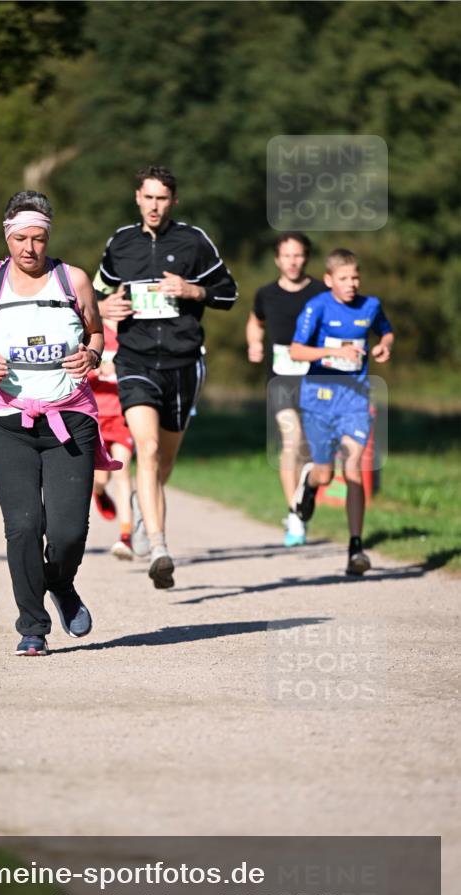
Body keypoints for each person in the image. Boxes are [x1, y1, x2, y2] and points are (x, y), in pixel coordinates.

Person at [0, 190, 116, 656]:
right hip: (8, 422)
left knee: (69, 531)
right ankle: (32, 626)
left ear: (49, 237)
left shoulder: (74, 281)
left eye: (39, 239)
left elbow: (96, 332)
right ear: (7, 236)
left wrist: (91, 353)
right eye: (21, 238)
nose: (30, 248)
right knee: (24, 525)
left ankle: (60, 585)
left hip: (71, 418)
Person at [95, 166, 237, 589]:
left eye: (162, 198)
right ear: (137, 197)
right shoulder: (119, 243)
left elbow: (229, 292)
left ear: (173, 201)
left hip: (183, 361)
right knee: (148, 446)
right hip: (136, 359)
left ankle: (143, 503)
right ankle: (158, 547)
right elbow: (98, 293)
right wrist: (105, 310)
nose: (154, 205)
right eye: (148, 197)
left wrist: (193, 291)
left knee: (165, 459)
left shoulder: (193, 241)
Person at [289, 248, 394, 575]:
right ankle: (310, 481)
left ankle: (355, 548)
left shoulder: (370, 305)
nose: (352, 284)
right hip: (318, 400)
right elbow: (296, 350)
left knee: (352, 469)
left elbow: (386, 331)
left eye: (355, 277)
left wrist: (383, 346)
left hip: (355, 401)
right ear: (329, 280)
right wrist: (334, 351)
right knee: (326, 474)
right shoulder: (316, 307)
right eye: (344, 278)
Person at [246, 232, 326, 546]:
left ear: (306, 258)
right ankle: (294, 513)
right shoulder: (266, 293)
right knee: (291, 442)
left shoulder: (322, 291)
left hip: (317, 378)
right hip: (281, 379)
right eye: (287, 256)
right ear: (278, 260)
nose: (292, 262)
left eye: (298, 256)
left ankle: (305, 493)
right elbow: (256, 321)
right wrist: (254, 342)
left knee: (313, 451)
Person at [88, 321, 135, 560]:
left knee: (122, 472)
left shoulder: (132, 329)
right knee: (100, 478)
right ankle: (99, 491)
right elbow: (76, 369)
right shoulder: (92, 331)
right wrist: (98, 370)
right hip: (95, 415)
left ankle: (125, 537)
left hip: (122, 414)